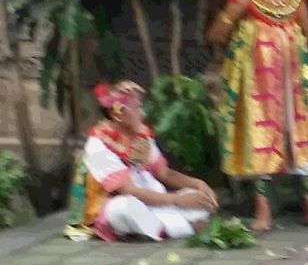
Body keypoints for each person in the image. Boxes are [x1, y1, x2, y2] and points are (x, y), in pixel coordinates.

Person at [207, 0, 308, 233]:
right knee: (260, 135)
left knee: (299, 136)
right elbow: (217, 34)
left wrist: (288, 39)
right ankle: (263, 212)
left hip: (291, 81)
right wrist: (233, 16)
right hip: (257, 83)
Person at [66, 81, 218, 241]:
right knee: (123, 209)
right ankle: (179, 228)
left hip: (156, 200)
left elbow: (164, 173)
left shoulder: (141, 134)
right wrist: (177, 200)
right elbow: (128, 190)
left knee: (197, 197)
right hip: (118, 204)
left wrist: (198, 185)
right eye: (136, 108)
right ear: (118, 114)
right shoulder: (98, 145)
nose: (142, 113)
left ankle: (164, 227)